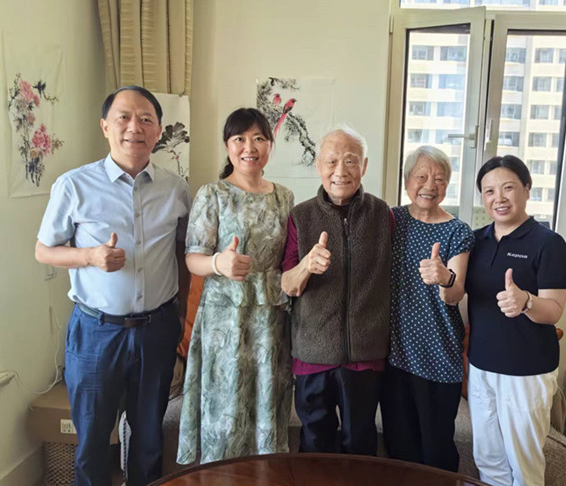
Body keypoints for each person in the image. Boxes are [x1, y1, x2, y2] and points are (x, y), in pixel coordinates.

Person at [35, 86, 191, 485]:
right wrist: (90, 256)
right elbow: (44, 250)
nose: (134, 127)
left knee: (149, 439)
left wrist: (179, 314)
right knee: (91, 442)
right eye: (124, 117)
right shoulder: (74, 185)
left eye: (146, 119)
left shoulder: (176, 189)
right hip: (95, 331)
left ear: (158, 131)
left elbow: (182, 254)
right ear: (105, 126)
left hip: (156, 330)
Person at [177, 108, 294, 464]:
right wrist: (218, 263)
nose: (249, 147)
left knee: (267, 405)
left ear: (270, 144)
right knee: (226, 409)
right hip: (224, 321)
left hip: (271, 319)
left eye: (259, 138)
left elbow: (289, 259)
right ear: (228, 145)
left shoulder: (285, 197)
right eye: (239, 139)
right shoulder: (212, 194)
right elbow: (192, 258)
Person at [280, 126, 392, 455]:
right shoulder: (300, 216)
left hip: (365, 356)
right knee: (315, 443)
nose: (340, 171)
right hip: (313, 355)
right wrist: (306, 265)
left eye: (350, 161)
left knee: (360, 442)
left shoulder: (383, 215)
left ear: (364, 166)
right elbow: (287, 285)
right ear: (318, 165)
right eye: (331, 161)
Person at [465, 155, 566, 486]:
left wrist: (526, 301)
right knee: (488, 458)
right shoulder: (476, 241)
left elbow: (554, 310)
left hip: (526, 371)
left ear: (527, 188)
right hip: (481, 367)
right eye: (489, 191)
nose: (499, 198)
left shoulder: (548, 243)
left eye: (508, 188)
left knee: (524, 464)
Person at [381, 146, 473, 472]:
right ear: (407, 180)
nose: (430, 185)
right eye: (421, 176)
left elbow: (456, 294)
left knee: (436, 451)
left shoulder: (457, 231)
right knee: (398, 448)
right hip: (395, 356)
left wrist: (445, 278)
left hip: (439, 357)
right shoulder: (391, 220)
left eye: (439, 179)